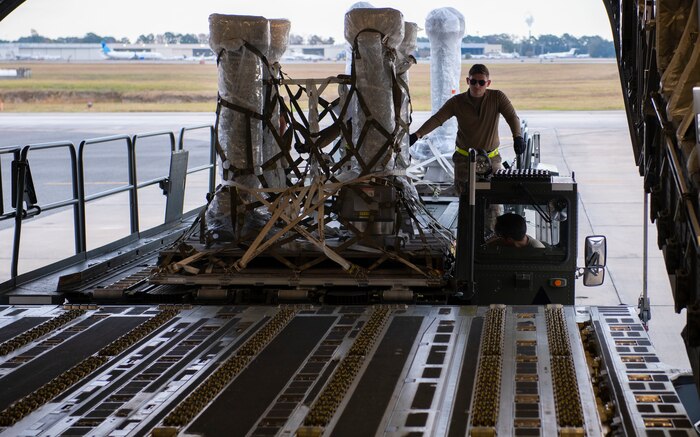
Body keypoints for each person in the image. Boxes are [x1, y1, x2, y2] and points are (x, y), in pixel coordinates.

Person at [409, 64, 525, 194]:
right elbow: (437, 119)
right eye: (473, 81)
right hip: (464, 161)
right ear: (467, 81)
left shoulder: (497, 97)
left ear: (488, 83)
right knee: (465, 203)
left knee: (494, 203)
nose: (477, 86)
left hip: (491, 160)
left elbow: (512, 117)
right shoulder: (457, 102)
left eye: (481, 82)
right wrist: (417, 135)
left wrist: (517, 137)